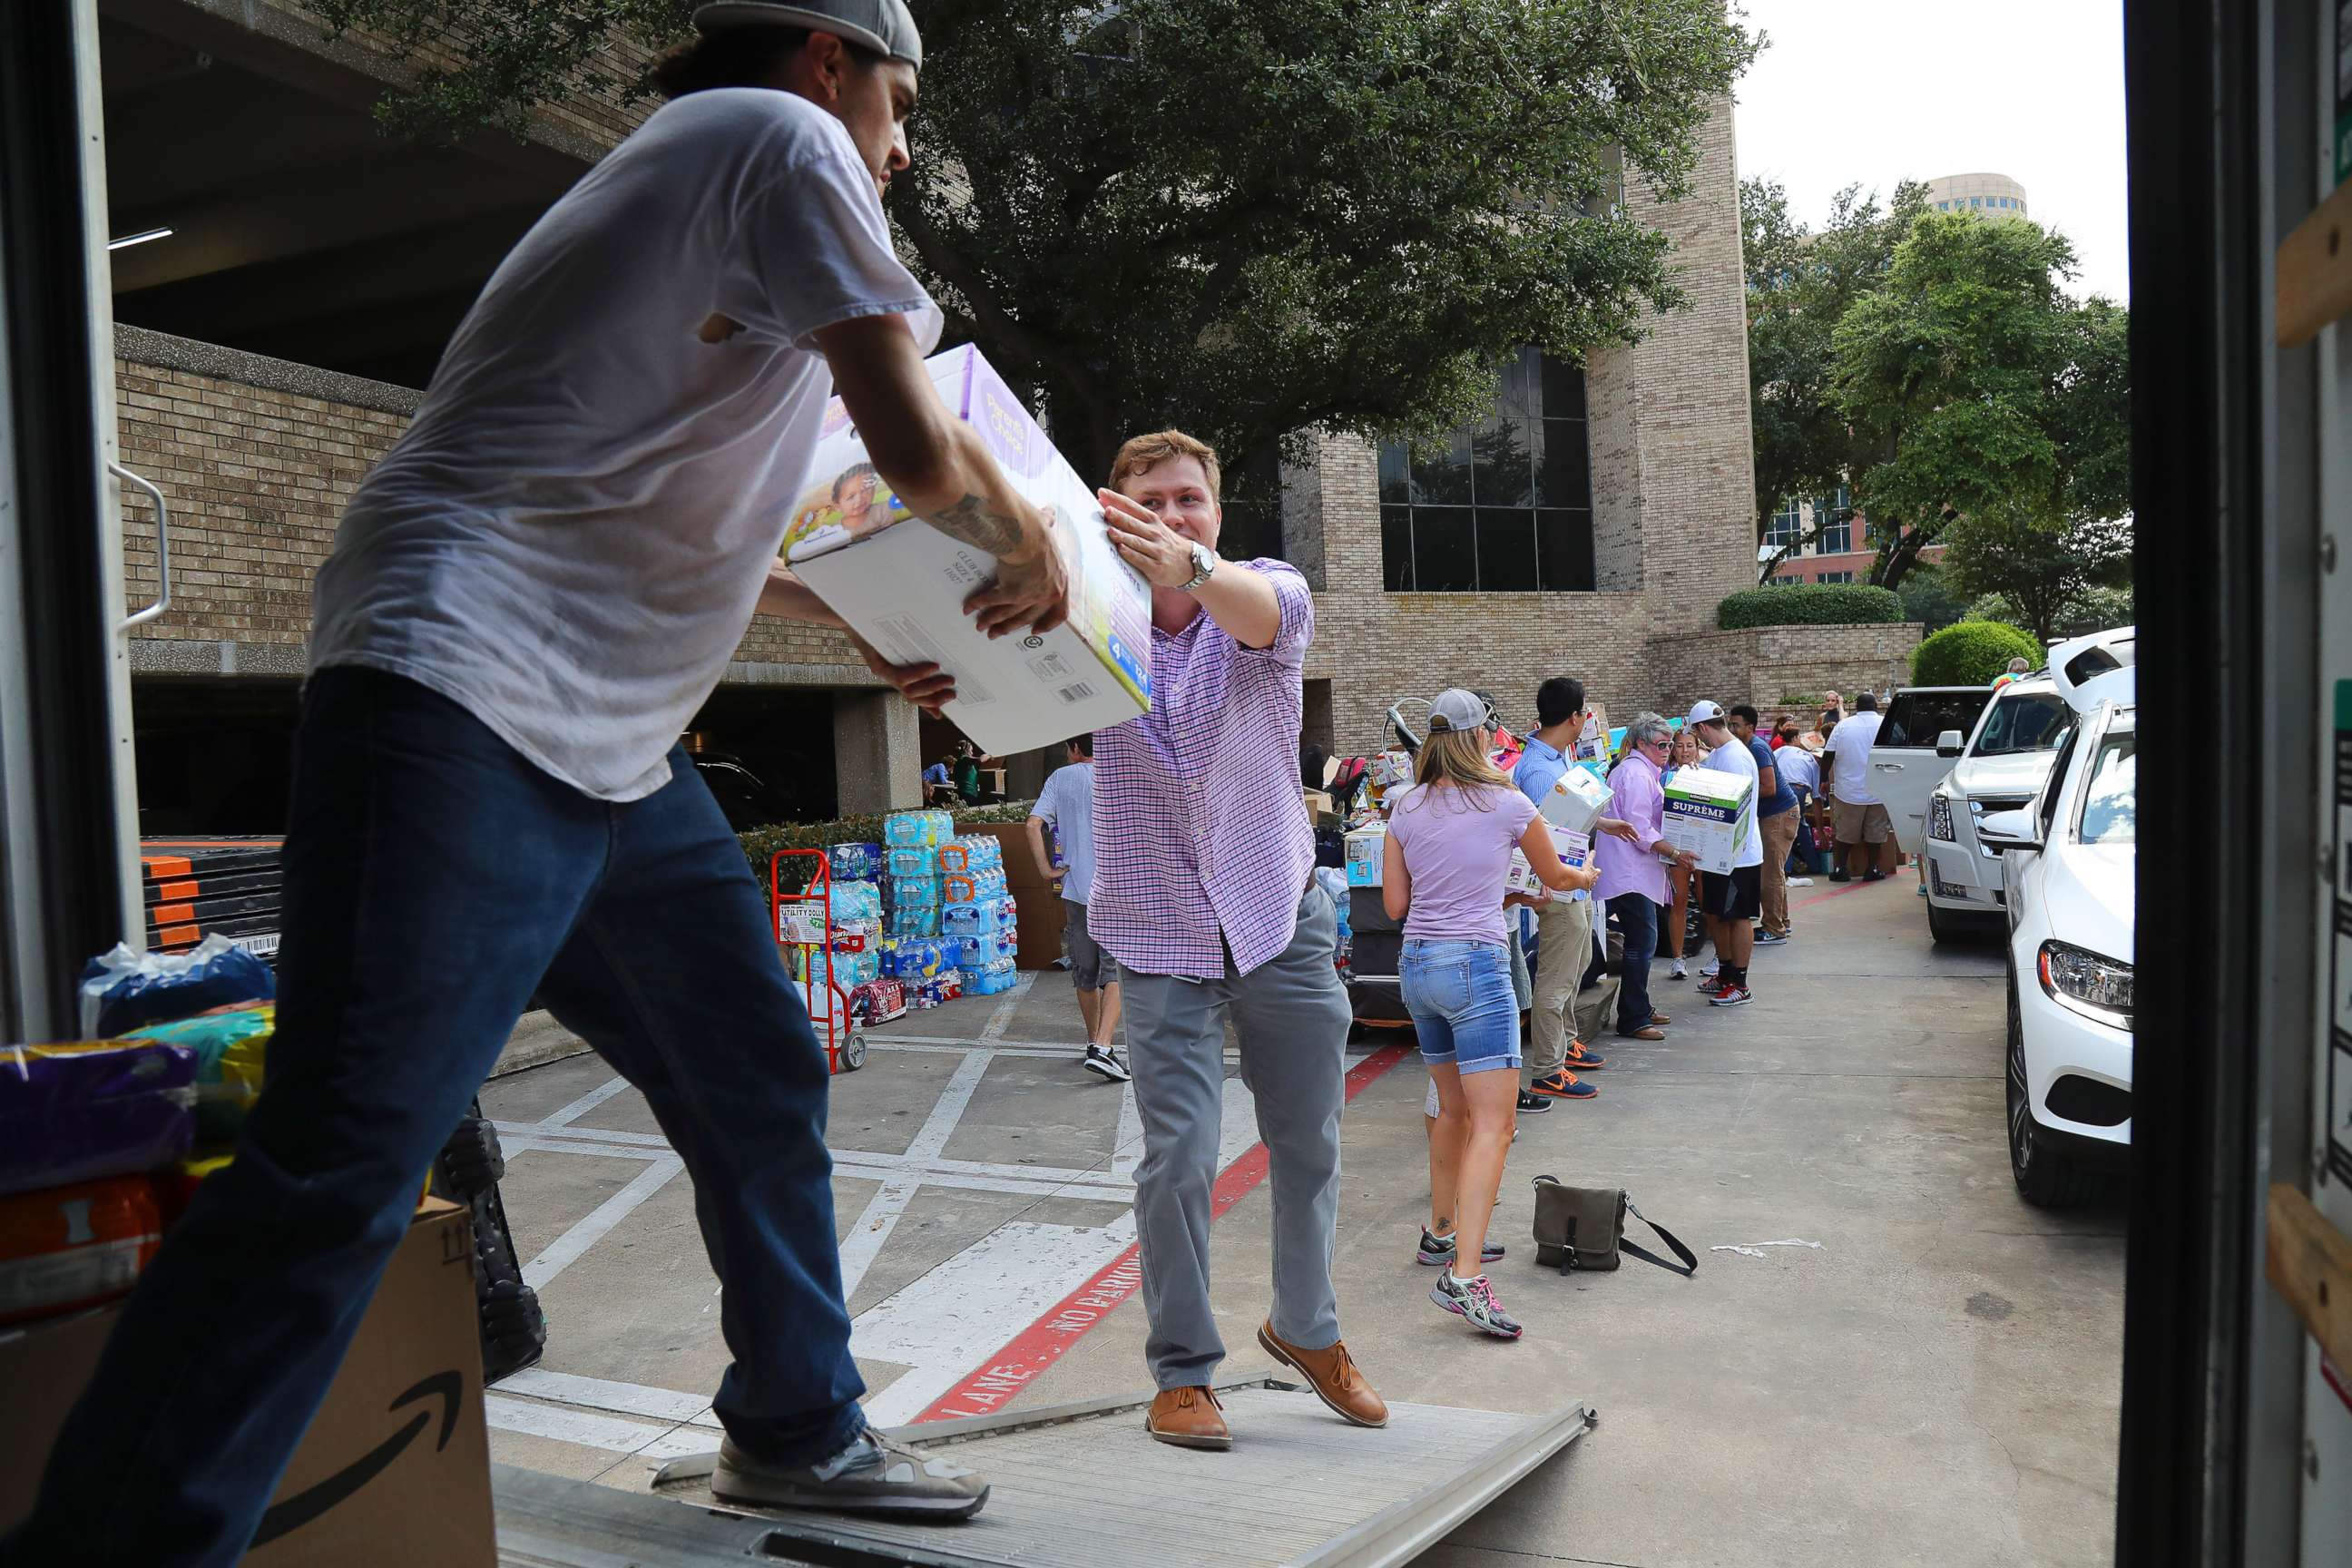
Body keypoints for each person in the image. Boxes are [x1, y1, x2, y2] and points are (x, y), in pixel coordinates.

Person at [5, 7, 1071, 1553]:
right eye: (900, 106)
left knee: (754, 1072)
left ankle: (797, 1429)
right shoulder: (778, 138)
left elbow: (710, 530)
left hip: (610, 747)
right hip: (465, 685)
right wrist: (1024, 534)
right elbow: (919, 453)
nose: (901, 150)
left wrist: (868, 623)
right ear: (829, 63)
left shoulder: (715, 209)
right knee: (343, 1162)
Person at [1083, 429, 1386, 1450]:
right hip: (1157, 928)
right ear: (1115, 514)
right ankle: (1181, 1370)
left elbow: (1263, 611)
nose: (1174, 518)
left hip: (1277, 915)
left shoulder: (1264, 591)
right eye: (1152, 504)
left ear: (1218, 511)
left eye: (1190, 500)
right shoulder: (1088, 620)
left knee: (1309, 1142)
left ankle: (1308, 1331)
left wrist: (1195, 569)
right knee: (1177, 1157)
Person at [1384, 691, 1595, 1339]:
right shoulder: (1506, 802)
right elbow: (1555, 874)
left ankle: (1441, 1234)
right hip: (1476, 967)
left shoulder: (1404, 805)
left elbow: (1396, 905)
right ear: (1483, 737)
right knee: (1495, 1127)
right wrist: (1584, 879)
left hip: (1418, 965)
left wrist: (1489, 888)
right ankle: (1465, 1277)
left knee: (1450, 1110)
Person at [1509, 677, 1642, 1103]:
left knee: (1579, 961)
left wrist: (1604, 824)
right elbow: (1542, 833)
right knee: (1558, 977)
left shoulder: (1555, 760)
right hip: (1561, 884)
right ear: (1575, 717)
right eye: (1585, 712)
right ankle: (1548, 1068)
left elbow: (1569, 814)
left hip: (1575, 881)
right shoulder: (1537, 768)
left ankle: (1566, 1044)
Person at [1028, 734, 1124, 1083]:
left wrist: (1046, 870)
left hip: (1075, 890)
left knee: (1085, 970)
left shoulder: (1059, 778)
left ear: (1075, 749)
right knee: (1116, 971)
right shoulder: (1118, 772)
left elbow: (1033, 825)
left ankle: (1092, 1043)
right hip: (1116, 889)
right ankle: (1103, 1046)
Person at [1595, 713, 1698, 1040]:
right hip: (1630, 872)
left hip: (1635, 870)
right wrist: (1674, 853)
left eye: (1670, 744)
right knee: (1642, 943)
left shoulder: (1641, 770)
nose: (1668, 750)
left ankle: (1639, 1007)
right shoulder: (1636, 774)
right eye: (1662, 744)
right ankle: (1633, 1017)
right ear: (1641, 743)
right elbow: (1639, 828)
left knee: (1643, 941)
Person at [1687, 701, 1764, 1006]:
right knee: (1717, 914)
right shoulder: (1720, 755)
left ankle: (1740, 983)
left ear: (1703, 728)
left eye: (1696, 733)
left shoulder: (1735, 759)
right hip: (1719, 851)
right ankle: (1726, 972)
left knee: (1738, 917)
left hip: (1739, 853)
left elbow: (1729, 808)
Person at [1730, 704, 1798, 945]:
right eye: (1731, 724)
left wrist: (1739, 799)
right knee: (1773, 872)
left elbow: (1769, 787)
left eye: (1737, 725)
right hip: (1774, 815)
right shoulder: (1747, 747)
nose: (1732, 729)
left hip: (1779, 815)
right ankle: (1780, 923)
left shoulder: (1757, 748)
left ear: (1750, 727)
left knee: (1770, 874)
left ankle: (1774, 929)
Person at [1824, 691, 1895, 882]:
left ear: (1856, 707)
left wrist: (1823, 779)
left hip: (1849, 791)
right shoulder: (1887, 724)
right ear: (1876, 706)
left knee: (1845, 833)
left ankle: (1840, 869)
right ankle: (1872, 869)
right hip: (1879, 791)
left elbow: (1828, 755)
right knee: (1876, 833)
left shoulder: (1843, 726)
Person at [1660, 726, 1706, 982]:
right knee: (1678, 902)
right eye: (1679, 746)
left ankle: (1720, 956)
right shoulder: (1664, 777)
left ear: (1697, 748)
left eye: (1690, 745)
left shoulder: (1709, 775)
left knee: (1707, 901)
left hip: (1703, 847)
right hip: (1677, 849)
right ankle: (1678, 958)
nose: (1685, 750)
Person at [1775, 728, 1824, 886]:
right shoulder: (1813, 762)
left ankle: (1786, 868)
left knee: (1784, 827)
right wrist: (1821, 830)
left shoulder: (1782, 750)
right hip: (1797, 789)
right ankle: (1813, 865)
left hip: (1779, 787)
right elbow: (1817, 800)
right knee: (1798, 826)